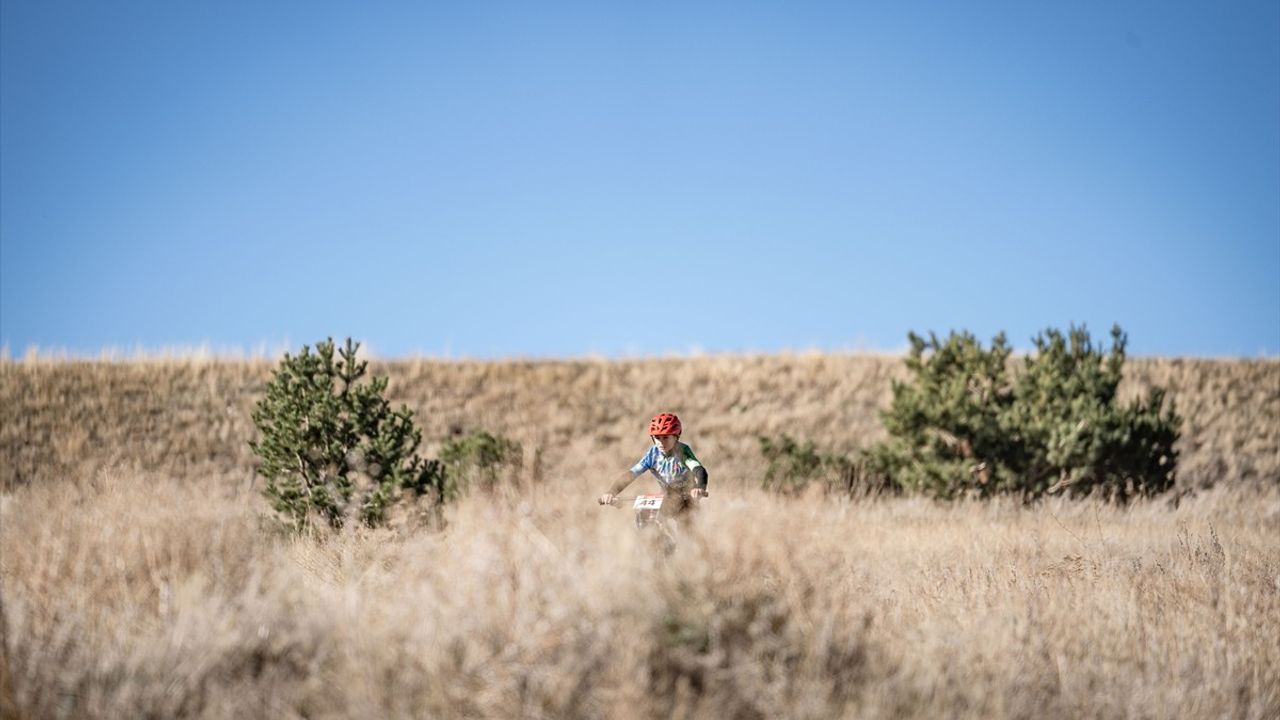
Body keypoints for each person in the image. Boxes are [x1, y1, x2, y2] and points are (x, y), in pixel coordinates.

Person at [598, 412, 708, 515]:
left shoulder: (682, 451)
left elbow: (699, 470)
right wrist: (611, 492)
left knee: (685, 526)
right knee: (644, 516)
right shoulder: (653, 454)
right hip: (667, 497)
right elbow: (631, 474)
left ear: (676, 437)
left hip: (687, 498)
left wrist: (700, 488)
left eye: (666, 437)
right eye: (657, 438)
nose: (661, 442)